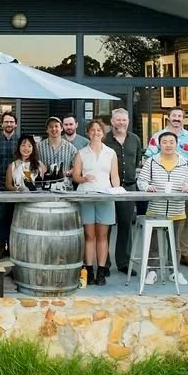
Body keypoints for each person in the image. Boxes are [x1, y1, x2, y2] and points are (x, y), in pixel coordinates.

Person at [137, 131, 188, 285]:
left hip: (177, 210)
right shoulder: (151, 162)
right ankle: (152, 271)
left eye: (171, 142)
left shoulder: (184, 161)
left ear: (176, 144)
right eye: (165, 142)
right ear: (160, 144)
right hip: (156, 209)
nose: (168, 145)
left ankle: (174, 272)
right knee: (154, 244)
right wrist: (147, 187)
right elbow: (141, 181)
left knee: (175, 245)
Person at [145, 108, 188, 269]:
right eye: (174, 116)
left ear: (184, 118)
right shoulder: (157, 137)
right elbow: (149, 159)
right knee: (159, 223)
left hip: (183, 188)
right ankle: (159, 258)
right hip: (162, 188)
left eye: (180, 116)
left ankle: (184, 254)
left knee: (184, 222)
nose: (177, 119)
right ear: (168, 117)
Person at [72, 120, 120, 286]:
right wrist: (83, 178)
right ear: (87, 132)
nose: (96, 132)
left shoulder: (110, 153)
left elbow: (114, 177)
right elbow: (75, 176)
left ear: (103, 132)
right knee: (89, 235)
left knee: (102, 235)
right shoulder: (81, 153)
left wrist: (117, 191)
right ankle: (89, 269)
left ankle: (101, 270)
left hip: (105, 197)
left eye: (99, 130)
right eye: (92, 130)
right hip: (86, 196)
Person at [104, 108, 143, 276]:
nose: (121, 123)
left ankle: (123, 262)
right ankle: (103, 262)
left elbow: (136, 161)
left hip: (128, 187)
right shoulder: (105, 140)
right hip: (107, 188)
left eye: (124, 120)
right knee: (105, 226)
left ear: (128, 121)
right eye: (118, 120)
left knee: (126, 225)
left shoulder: (135, 139)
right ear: (112, 122)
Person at [0, 111, 19, 259]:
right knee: (1, 218)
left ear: (15, 124)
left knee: (14, 217)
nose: (9, 124)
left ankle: (13, 247)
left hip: (17, 187)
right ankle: (1, 245)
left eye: (11, 122)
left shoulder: (21, 141)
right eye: (6, 122)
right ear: (1, 124)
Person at [36, 117, 78, 190]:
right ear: (47, 130)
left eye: (56, 126)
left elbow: (77, 167)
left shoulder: (71, 148)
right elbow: (32, 163)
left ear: (61, 128)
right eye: (51, 127)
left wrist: (67, 172)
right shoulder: (38, 147)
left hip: (65, 188)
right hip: (45, 188)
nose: (54, 129)